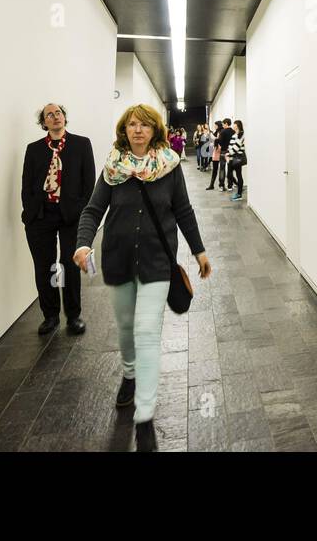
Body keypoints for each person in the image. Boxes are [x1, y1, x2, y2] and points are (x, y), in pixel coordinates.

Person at [73, 104, 212, 453]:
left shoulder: (169, 166)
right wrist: (82, 244)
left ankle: (145, 417)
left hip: (156, 262)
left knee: (147, 330)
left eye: (145, 125)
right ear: (124, 130)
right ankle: (130, 374)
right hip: (118, 261)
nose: (138, 130)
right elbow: (92, 210)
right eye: (132, 125)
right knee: (124, 327)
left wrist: (199, 250)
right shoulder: (112, 168)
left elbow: (182, 210)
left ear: (154, 131)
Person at [20, 103, 95, 336]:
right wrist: (30, 211)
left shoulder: (81, 144)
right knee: (47, 267)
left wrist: (81, 211)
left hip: (71, 216)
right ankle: (50, 315)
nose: (55, 117)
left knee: (69, 265)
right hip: (41, 216)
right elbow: (26, 184)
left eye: (58, 113)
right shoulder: (33, 149)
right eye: (49, 115)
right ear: (44, 123)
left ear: (65, 118)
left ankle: (73, 316)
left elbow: (88, 182)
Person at [207, 118, 234, 191]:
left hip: (223, 151)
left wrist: (217, 141)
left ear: (226, 124)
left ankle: (221, 186)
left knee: (222, 169)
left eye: (223, 124)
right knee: (230, 169)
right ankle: (230, 186)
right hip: (231, 152)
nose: (222, 125)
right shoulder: (233, 131)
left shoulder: (223, 132)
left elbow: (220, 143)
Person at [226, 119, 246, 201]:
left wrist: (228, 153)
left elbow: (236, 147)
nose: (233, 126)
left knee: (238, 175)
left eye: (234, 124)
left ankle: (239, 194)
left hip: (237, 158)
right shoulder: (236, 134)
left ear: (238, 126)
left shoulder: (240, 134)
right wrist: (228, 153)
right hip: (233, 157)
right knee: (230, 175)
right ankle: (239, 190)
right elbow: (231, 146)